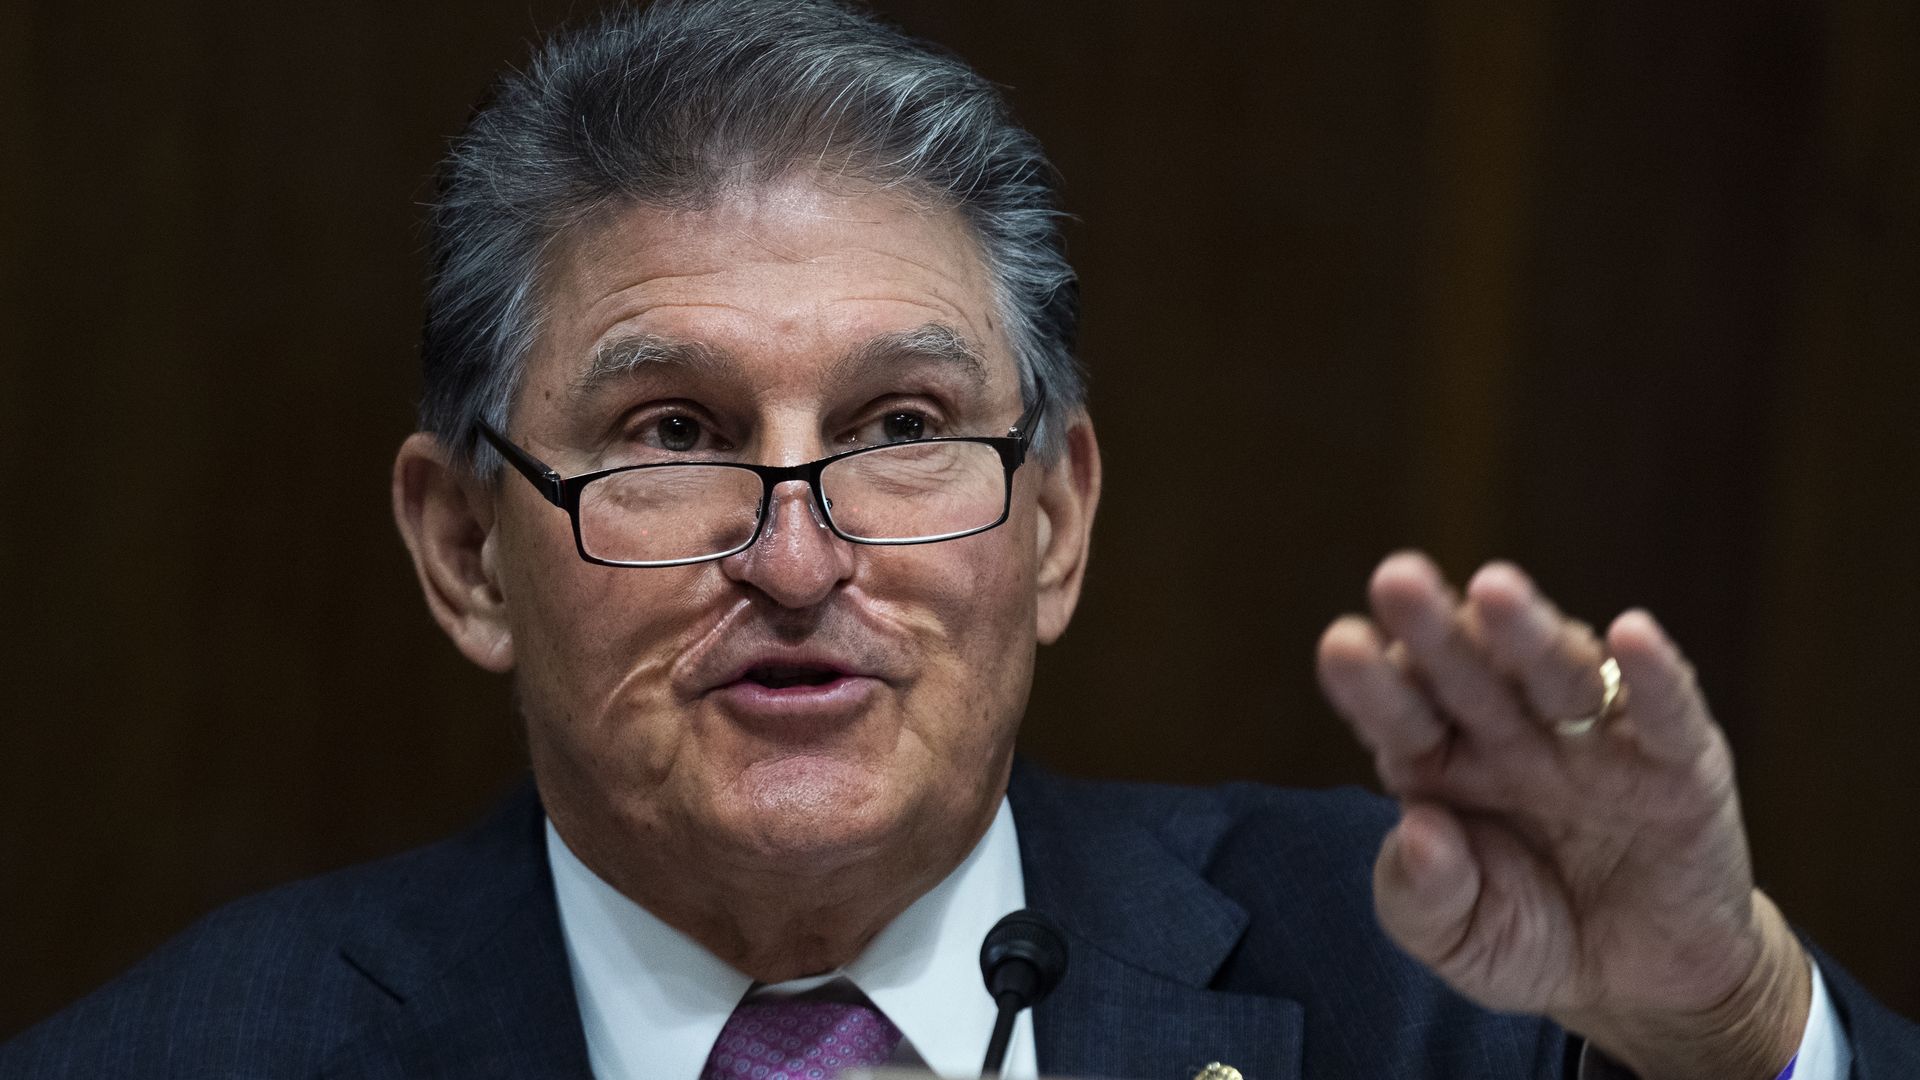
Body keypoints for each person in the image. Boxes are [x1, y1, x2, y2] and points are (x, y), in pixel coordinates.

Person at [3, 2, 1915, 1078]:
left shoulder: (1443, 994)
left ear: (1059, 519)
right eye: (672, 436)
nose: (801, 556)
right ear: (463, 551)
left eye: (902, 430)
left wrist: (1725, 1018)